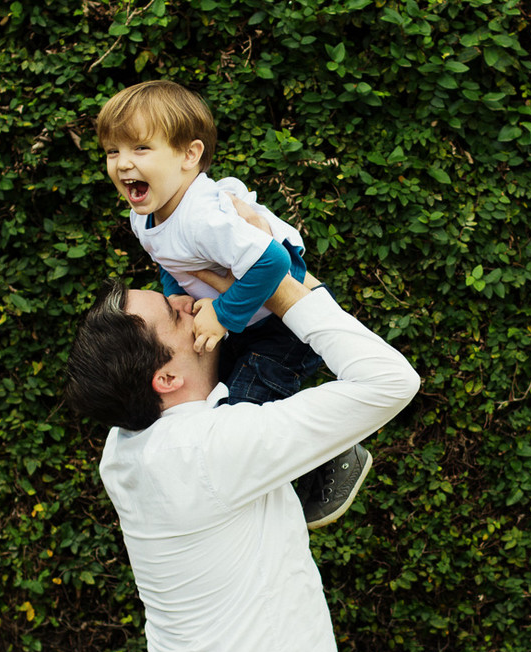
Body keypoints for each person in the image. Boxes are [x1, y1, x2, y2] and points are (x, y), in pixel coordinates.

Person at [63, 197, 421, 652]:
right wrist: (278, 276)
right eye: (176, 314)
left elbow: (227, 398)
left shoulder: (123, 450)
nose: (187, 298)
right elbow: (391, 381)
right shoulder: (214, 448)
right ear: (166, 378)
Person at [95, 79, 367, 529]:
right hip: (248, 314)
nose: (123, 163)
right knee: (208, 395)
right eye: (112, 151)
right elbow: (168, 259)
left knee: (241, 411)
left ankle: (333, 455)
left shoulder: (204, 217)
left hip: (282, 322)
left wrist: (222, 315)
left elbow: (273, 262)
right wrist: (175, 293)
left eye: (141, 148)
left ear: (189, 155)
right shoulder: (143, 214)